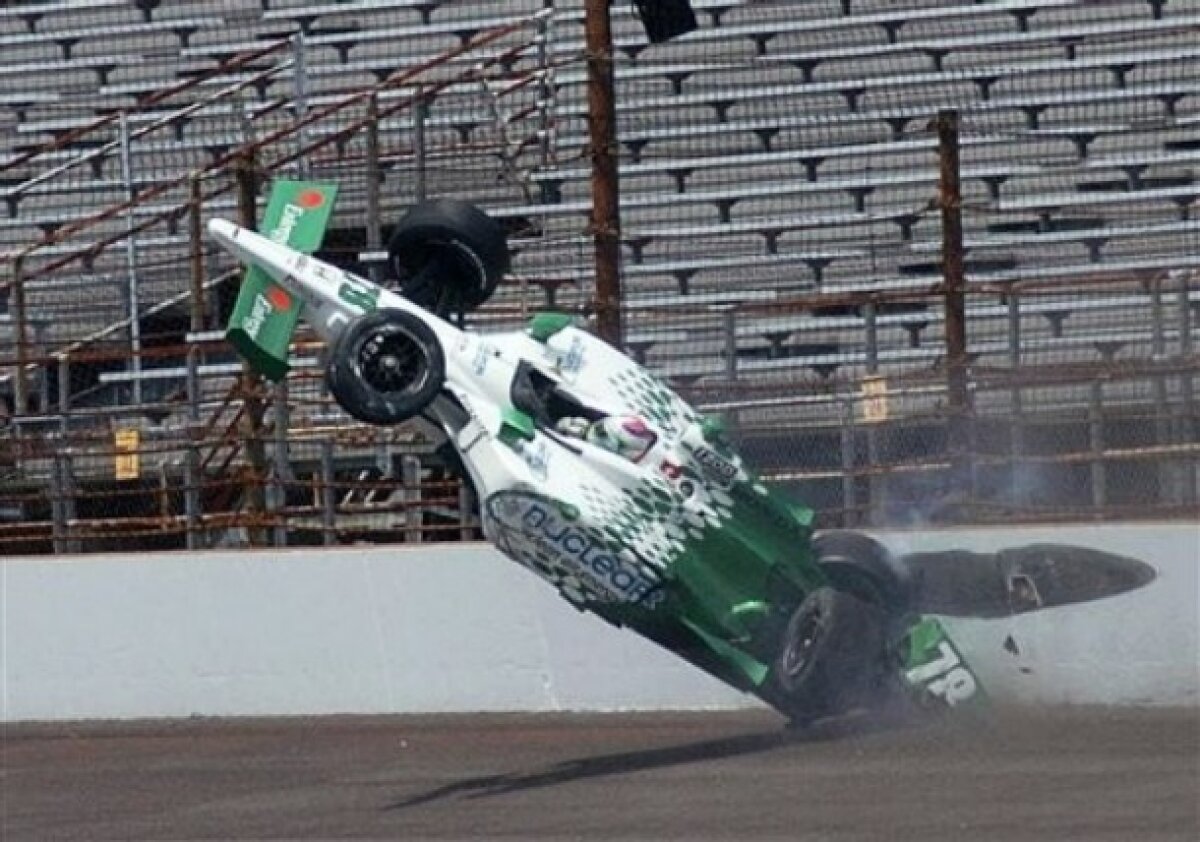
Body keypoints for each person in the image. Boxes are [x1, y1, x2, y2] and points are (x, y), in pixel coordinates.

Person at [554, 414, 657, 463]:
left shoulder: (592, 440)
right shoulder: (602, 422)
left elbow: (614, 452)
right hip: (644, 446)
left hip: (641, 451)